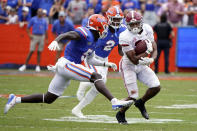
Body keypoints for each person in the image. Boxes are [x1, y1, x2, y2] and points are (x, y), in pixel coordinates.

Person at [4, 14, 133, 115]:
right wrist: (56, 40)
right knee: (97, 76)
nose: (105, 29)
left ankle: (15, 99)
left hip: (67, 68)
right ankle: (114, 101)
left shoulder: (94, 40)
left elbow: (90, 60)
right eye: (104, 26)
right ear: (97, 26)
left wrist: (106, 64)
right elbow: (69, 34)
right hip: (67, 65)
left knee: (49, 98)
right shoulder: (86, 33)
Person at [72, 6, 127, 118]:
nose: (117, 22)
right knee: (100, 81)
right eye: (114, 19)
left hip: (105, 59)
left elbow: (121, 50)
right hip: (92, 57)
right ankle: (82, 89)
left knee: (99, 86)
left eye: (118, 20)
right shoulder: (102, 27)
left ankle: (78, 107)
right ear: (108, 18)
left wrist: (129, 52)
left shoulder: (122, 30)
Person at [116, 10, 161, 124]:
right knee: (133, 96)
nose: (135, 26)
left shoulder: (147, 28)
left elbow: (154, 47)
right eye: (132, 24)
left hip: (142, 65)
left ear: (141, 22)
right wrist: (147, 53)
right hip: (129, 66)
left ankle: (141, 102)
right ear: (127, 25)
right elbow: (134, 60)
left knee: (156, 87)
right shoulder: (124, 36)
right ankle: (120, 113)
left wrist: (152, 59)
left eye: (136, 23)